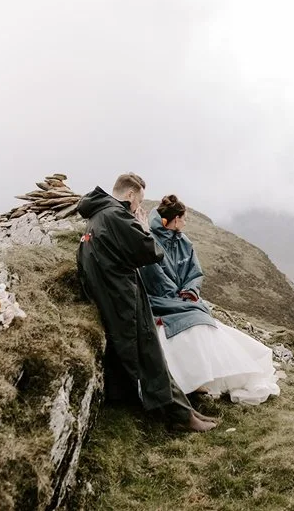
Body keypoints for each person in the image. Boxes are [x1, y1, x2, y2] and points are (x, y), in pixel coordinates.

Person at [76, 174, 216, 432]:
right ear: (130, 195)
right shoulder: (117, 216)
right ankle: (179, 416)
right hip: (123, 296)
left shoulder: (97, 215)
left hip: (109, 294)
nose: (138, 206)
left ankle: (183, 410)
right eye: (139, 200)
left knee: (141, 353)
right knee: (149, 355)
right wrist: (142, 227)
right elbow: (152, 252)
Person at [138, 194, 280, 405]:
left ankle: (205, 376)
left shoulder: (184, 242)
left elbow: (194, 272)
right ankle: (193, 379)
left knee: (203, 319)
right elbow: (154, 276)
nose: (185, 223)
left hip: (183, 299)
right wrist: (177, 296)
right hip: (161, 299)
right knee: (195, 321)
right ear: (175, 220)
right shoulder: (151, 241)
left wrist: (190, 291)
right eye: (184, 219)